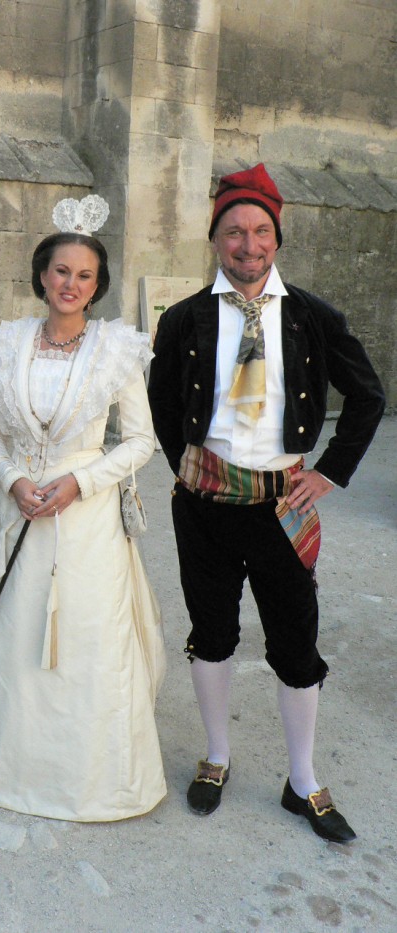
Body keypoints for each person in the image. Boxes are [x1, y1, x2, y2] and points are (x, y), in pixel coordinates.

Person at [147, 164, 385, 843]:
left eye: (259, 231)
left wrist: (330, 473)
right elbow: (164, 403)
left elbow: (368, 396)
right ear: (214, 239)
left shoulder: (313, 316)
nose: (247, 245)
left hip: (285, 503)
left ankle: (303, 778)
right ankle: (218, 756)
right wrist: (189, 465)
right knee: (213, 632)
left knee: (296, 641)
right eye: (233, 232)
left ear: (275, 237)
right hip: (205, 506)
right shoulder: (186, 318)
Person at [0, 196, 166, 821]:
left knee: (86, 639)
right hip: (20, 512)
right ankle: (5, 769)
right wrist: (14, 479)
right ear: (42, 275)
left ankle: (92, 780)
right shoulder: (7, 343)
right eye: (61, 271)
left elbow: (141, 440)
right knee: (16, 636)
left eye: (85, 275)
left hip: (86, 520)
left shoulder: (116, 350)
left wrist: (81, 483)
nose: (71, 284)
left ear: (96, 286)